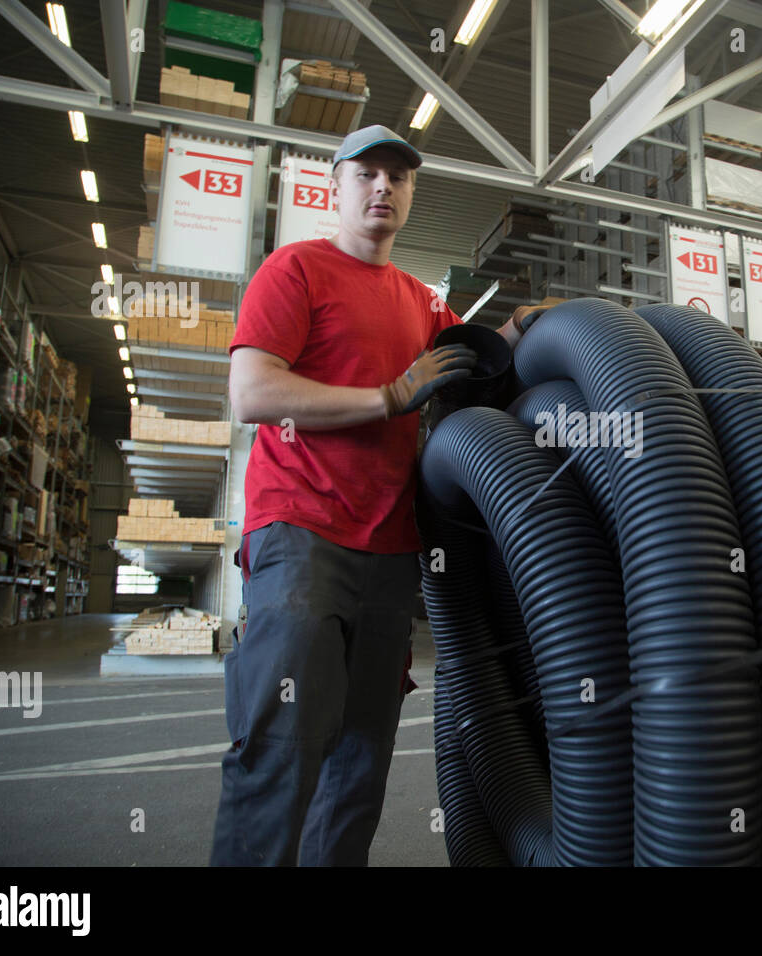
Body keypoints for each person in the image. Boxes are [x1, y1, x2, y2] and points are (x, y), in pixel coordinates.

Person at [211, 124, 536, 866]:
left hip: (390, 550)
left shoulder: (419, 302)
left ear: (412, 193)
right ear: (336, 186)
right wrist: (388, 396)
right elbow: (252, 391)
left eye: (399, 176)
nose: (383, 187)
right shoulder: (296, 271)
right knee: (281, 741)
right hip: (301, 533)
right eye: (367, 174)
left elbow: (478, 358)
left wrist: (525, 325)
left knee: (361, 760)